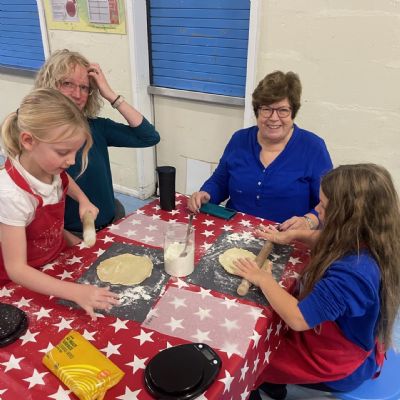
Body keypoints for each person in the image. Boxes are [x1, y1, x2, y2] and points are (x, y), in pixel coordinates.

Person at [233, 164, 400, 399]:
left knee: (248, 359)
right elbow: (330, 240)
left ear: (348, 217)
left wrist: (262, 278)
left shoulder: (354, 273)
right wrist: (295, 235)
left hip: (336, 360)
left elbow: (298, 318)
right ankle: (274, 387)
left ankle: (255, 387)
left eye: (323, 205)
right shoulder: (370, 238)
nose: (317, 210)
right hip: (334, 335)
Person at [0, 88, 119, 319]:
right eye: (63, 152)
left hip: (54, 261)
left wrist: (83, 200)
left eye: (75, 151)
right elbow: (17, 269)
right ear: (28, 141)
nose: (72, 161)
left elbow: (64, 180)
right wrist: (75, 292)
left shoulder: (50, 168)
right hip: (22, 281)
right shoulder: (11, 195)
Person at [34, 49, 160, 237]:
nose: (77, 94)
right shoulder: (36, 134)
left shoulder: (96, 127)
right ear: (50, 85)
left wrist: (111, 95)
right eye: (67, 83)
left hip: (111, 221)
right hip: (71, 235)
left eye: (85, 87)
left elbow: (149, 137)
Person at [188, 70, 332, 231]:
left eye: (283, 110)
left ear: (293, 112)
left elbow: (330, 202)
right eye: (266, 109)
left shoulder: (313, 147)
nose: (274, 118)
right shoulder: (239, 139)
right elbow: (220, 181)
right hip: (234, 232)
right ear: (257, 111)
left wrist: (309, 221)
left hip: (286, 236)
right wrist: (206, 193)